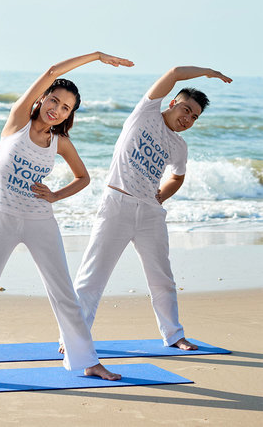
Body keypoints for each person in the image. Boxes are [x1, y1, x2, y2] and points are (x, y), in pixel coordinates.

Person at [0, 51, 134, 389]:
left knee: (64, 293)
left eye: (66, 108)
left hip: (40, 221)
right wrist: (96, 56)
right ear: (42, 99)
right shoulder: (17, 122)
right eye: (55, 100)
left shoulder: (60, 142)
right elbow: (52, 70)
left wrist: (55, 195)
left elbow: (84, 178)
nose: (58, 109)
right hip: (3, 218)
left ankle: (89, 362)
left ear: (70, 115)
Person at [60, 66, 232, 353]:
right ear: (173, 102)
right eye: (186, 110)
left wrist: (160, 197)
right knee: (92, 277)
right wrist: (208, 72)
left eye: (194, 117)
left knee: (162, 278)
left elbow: (177, 176)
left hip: (150, 213)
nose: (188, 119)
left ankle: (174, 335)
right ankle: (72, 338)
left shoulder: (179, 147)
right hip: (117, 203)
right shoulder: (146, 112)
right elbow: (174, 73)